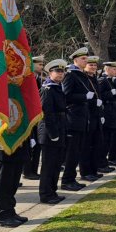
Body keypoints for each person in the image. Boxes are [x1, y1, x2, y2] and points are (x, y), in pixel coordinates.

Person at [38, 59, 68, 204]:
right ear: (50, 73)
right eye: (57, 71)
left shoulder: (58, 87)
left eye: (62, 71)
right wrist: (53, 133)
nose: (60, 74)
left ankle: (52, 191)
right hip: (50, 131)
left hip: (59, 128)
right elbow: (46, 113)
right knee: (48, 165)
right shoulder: (48, 89)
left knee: (56, 164)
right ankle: (46, 194)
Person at [61, 47, 90, 191]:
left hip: (81, 118)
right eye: (83, 59)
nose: (86, 61)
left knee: (77, 151)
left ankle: (71, 178)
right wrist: (84, 97)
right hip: (72, 119)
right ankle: (67, 180)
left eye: (86, 58)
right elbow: (65, 96)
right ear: (75, 60)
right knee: (71, 152)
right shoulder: (71, 75)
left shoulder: (81, 75)